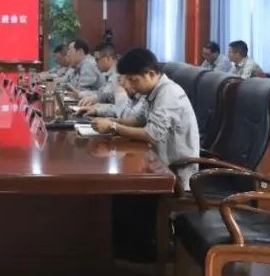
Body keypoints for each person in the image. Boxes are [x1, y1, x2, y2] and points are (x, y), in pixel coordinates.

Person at [91, 48, 200, 190]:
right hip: (155, 163)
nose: (130, 85)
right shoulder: (152, 91)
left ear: (150, 74)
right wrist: (109, 121)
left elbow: (151, 134)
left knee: (120, 188)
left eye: (133, 80)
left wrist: (112, 127)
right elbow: (137, 120)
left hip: (176, 174)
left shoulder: (169, 93)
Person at [80, 74, 149, 127]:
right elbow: (119, 108)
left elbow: (130, 117)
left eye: (120, 80)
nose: (121, 84)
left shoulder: (145, 94)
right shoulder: (134, 95)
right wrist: (97, 110)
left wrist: (120, 94)